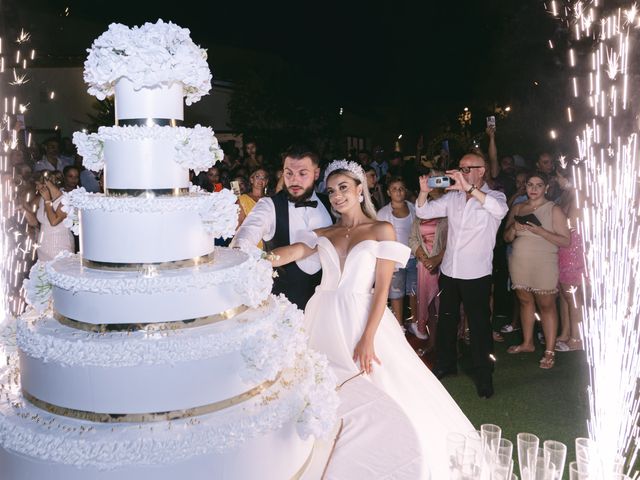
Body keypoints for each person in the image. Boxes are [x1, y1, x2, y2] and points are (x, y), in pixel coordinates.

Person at [271, 160, 473, 479]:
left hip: (361, 316)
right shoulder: (324, 232)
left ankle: (385, 456)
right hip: (321, 316)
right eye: (332, 191)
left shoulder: (381, 229)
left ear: (359, 189)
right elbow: (295, 251)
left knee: (373, 384)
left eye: (344, 188)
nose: (337, 196)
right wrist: (254, 261)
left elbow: (381, 290)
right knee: (324, 387)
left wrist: (367, 337)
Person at [415, 153, 509, 398]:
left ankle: (484, 374)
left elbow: (499, 210)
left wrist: (469, 188)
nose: (463, 172)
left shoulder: (495, 196)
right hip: (450, 271)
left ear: (482, 170)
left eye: (470, 168)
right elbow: (424, 212)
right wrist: (424, 191)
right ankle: (445, 364)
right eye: (461, 168)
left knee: (479, 325)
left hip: (476, 273)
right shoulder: (453, 197)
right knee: (447, 320)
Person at [230, 145, 333, 309]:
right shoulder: (269, 205)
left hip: (327, 305)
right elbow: (246, 233)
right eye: (289, 173)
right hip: (284, 310)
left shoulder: (331, 203)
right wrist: (240, 254)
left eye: (302, 173)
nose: (294, 180)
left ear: (316, 174)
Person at [503, 172, 570, 369]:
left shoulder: (554, 209)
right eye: (530, 184)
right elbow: (506, 238)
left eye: (538, 185)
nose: (533, 188)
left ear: (546, 188)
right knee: (524, 301)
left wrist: (541, 232)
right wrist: (514, 229)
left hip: (544, 262)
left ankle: (549, 351)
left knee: (546, 304)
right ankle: (527, 343)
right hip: (519, 260)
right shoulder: (518, 207)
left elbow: (566, 240)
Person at [407, 170, 448, 348]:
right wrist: (425, 259)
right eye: (431, 178)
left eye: (438, 178)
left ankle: (448, 344)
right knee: (429, 305)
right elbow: (412, 238)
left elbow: (457, 239)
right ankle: (432, 344)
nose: (434, 182)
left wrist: (437, 258)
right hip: (425, 264)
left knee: (444, 305)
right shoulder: (421, 206)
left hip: (446, 262)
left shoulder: (451, 205)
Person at [376, 177, 416, 325]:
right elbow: (380, 239)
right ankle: (399, 325)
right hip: (395, 261)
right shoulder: (383, 213)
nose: (398, 192)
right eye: (394, 189)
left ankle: (415, 322)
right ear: (388, 192)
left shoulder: (413, 208)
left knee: (413, 292)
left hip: (413, 258)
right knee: (396, 294)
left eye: (401, 188)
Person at [23, 171, 74, 262]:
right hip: (43, 247)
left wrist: (47, 200)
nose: (37, 188)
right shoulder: (41, 198)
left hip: (60, 246)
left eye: (38, 185)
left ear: (47, 184)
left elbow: (53, 222)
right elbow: (28, 207)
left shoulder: (66, 199)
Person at [236, 168, 269, 248]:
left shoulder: (269, 200)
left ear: (266, 182)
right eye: (257, 177)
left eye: (263, 178)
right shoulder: (243, 199)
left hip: (268, 243)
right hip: (249, 244)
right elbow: (239, 225)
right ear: (251, 180)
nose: (261, 180)